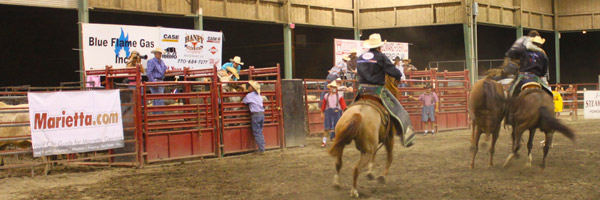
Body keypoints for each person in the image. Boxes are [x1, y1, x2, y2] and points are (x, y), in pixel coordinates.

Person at [356, 33, 415, 147]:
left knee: (350, 107)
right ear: (379, 46)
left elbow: (359, 72)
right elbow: (395, 72)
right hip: (377, 90)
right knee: (400, 111)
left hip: (362, 90)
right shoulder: (381, 57)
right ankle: (406, 137)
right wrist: (396, 75)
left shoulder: (361, 57)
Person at [505, 30, 552, 98]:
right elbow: (543, 72)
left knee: (510, 93)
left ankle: (508, 108)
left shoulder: (523, 50)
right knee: (550, 94)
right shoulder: (542, 54)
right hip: (536, 79)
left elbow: (510, 54)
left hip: (522, 78)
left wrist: (518, 46)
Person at [320, 81, 347, 147]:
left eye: (335, 87)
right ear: (330, 88)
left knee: (337, 126)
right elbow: (323, 105)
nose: (333, 88)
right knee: (326, 127)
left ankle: (337, 140)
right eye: (332, 87)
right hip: (328, 111)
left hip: (337, 111)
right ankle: (324, 141)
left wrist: (345, 110)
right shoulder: (326, 96)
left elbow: (343, 105)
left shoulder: (339, 96)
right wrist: (322, 112)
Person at [243, 80, 266, 154]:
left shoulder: (249, 96)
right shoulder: (259, 96)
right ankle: (262, 147)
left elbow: (244, 102)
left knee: (257, 132)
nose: (248, 87)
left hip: (255, 115)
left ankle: (261, 149)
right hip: (262, 114)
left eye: (250, 86)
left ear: (252, 88)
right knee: (260, 131)